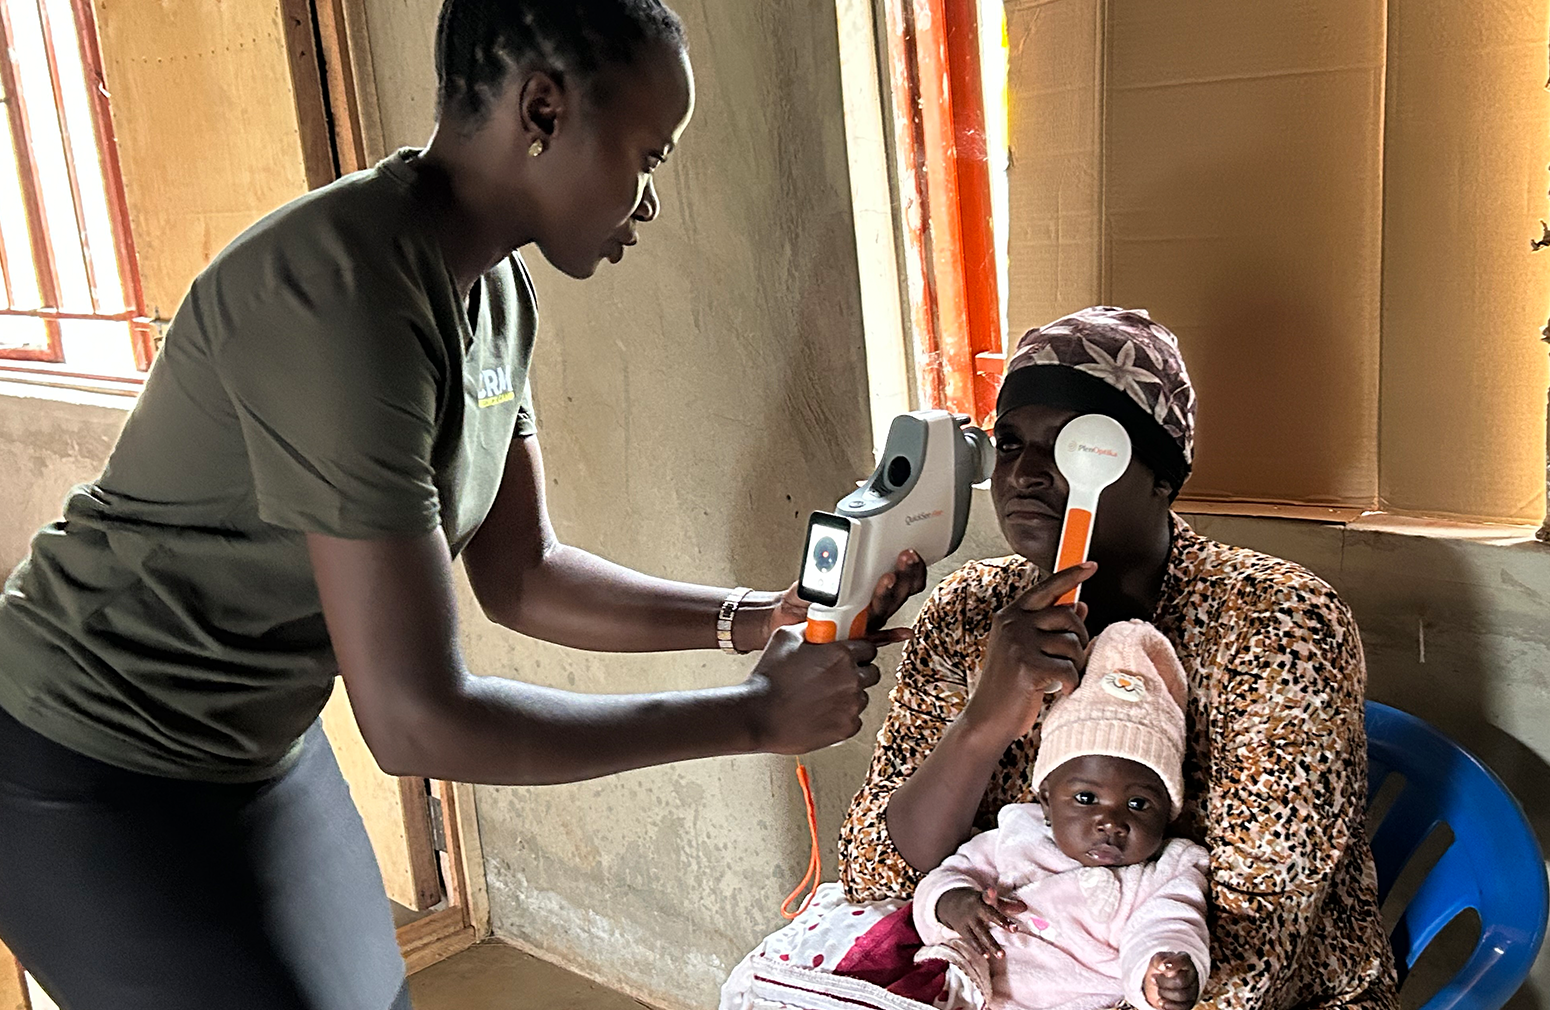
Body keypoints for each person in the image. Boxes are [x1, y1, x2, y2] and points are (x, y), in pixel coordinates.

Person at [0, 3, 924, 1009]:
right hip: (86, 753)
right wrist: (750, 715)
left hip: (252, 735)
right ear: (542, 108)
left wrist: (747, 616)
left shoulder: (493, 292)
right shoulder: (343, 290)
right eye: (647, 155)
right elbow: (413, 721)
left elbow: (523, 571)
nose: (649, 201)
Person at [837, 307, 1399, 1009]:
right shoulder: (968, 613)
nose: (1028, 475)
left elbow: (1260, 946)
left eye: (1080, 446)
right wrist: (983, 725)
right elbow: (876, 873)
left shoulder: (1276, 623)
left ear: (1162, 477)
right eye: (1009, 444)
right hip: (997, 984)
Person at [914, 620, 1209, 1010]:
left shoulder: (1165, 872)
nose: (1111, 822)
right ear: (1048, 800)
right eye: (1086, 798)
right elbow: (944, 878)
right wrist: (951, 903)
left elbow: (1168, 924)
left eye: (1138, 805)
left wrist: (1159, 972)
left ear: (1168, 813)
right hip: (969, 988)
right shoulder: (1015, 836)